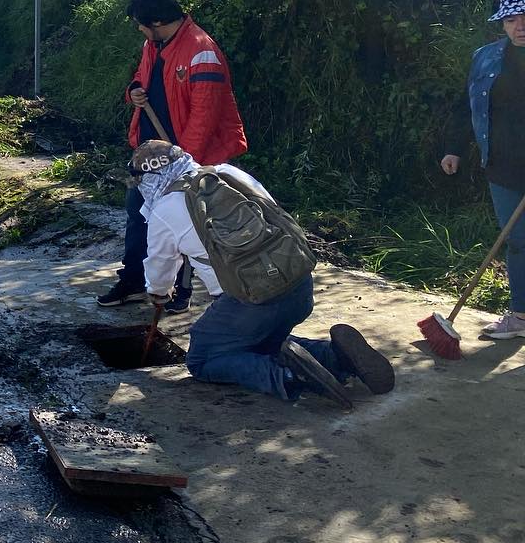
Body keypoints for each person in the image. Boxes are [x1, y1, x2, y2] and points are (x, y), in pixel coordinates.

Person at [132, 140, 394, 409]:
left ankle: (291, 377)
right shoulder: (228, 173)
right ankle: (338, 358)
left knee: (203, 357)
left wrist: (158, 293)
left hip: (253, 300)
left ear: (148, 180)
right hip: (298, 283)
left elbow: (160, 266)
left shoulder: (163, 210)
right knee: (260, 341)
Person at [98, 0, 247, 314]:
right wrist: (133, 92)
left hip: (184, 158)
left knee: (188, 222)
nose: (139, 29)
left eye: (141, 23)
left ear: (159, 21)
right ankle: (135, 280)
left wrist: (182, 166)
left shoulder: (200, 52)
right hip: (151, 154)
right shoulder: (153, 44)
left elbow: (203, 118)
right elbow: (141, 79)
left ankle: (184, 289)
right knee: (138, 215)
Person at [441, 0, 525, 340]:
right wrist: (453, 148)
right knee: (518, 240)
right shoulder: (486, 57)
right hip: (503, 166)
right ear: (502, 23)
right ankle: (521, 316)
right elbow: (468, 106)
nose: (520, 25)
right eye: (511, 18)